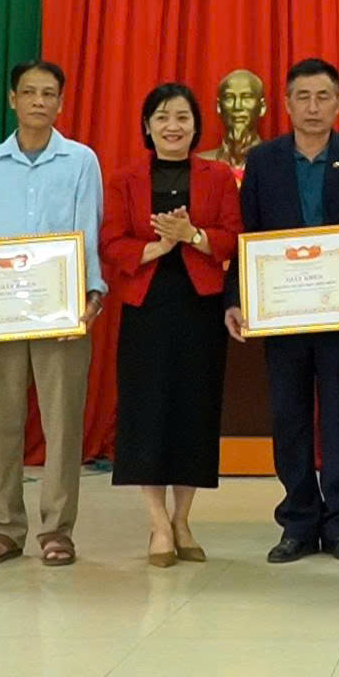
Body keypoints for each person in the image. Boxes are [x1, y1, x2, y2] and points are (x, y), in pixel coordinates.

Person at [224, 59, 339, 564]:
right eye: (303, 97)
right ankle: (297, 521)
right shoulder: (264, 161)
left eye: (323, 97)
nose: (313, 107)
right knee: (289, 416)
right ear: (287, 104)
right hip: (283, 313)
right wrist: (236, 298)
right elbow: (246, 233)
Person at [0, 60, 106, 569]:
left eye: (48, 94)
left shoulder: (81, 161)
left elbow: (88, 232)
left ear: (61, 103)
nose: (38, 101)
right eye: (29, 92)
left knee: (62, 424)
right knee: (1, 422)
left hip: (62, 311)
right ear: (12, 99)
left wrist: (91, 295)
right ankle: (3, 528)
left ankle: (57, 530)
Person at [102, 82, 243, 567]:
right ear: (147, 126)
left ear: (196, 125)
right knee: (147, 413)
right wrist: (157, 247)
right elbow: (110, 242)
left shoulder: (218, 175)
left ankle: (183, 519)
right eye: (162, 117)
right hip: (146, 307)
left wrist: (193, 235)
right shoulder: (124, 178)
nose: (172, 126)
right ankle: (158, 524)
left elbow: (233, 236)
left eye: (182, 117)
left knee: (193, 412)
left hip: (200, 308)